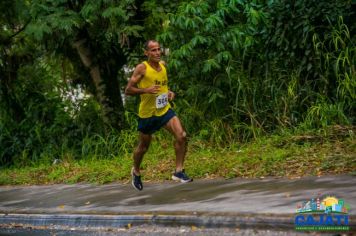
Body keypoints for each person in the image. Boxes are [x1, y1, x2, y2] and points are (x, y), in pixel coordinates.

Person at [125, 40, 193, 191]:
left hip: (164, 110)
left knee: (181, 135)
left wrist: (168, 92)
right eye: (153, 50)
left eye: (158, 49)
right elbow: (128, 90)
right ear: (146, 53)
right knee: (143, 147)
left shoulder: (162, 65)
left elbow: (162, 86)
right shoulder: (142, 68)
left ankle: (178, 171)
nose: (157, 52)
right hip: (148, 115)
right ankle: (135, 171)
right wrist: (146, 90)